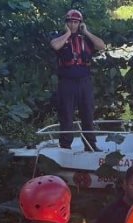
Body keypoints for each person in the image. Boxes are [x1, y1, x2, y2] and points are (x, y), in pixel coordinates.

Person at [50, 9, 106, 151]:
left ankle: (90, 145)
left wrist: (86, 32)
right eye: (70, 22)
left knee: (88, 113)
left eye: (75, 22)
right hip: (67, 82)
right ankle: (65, 146)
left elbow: (102, 46)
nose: (73, 25)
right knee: (66, 115)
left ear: (80, 23)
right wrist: (68, 33)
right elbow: (55, 45)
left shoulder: (85, 39)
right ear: (66, 23)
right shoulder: (60, 37)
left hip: (84, 81)